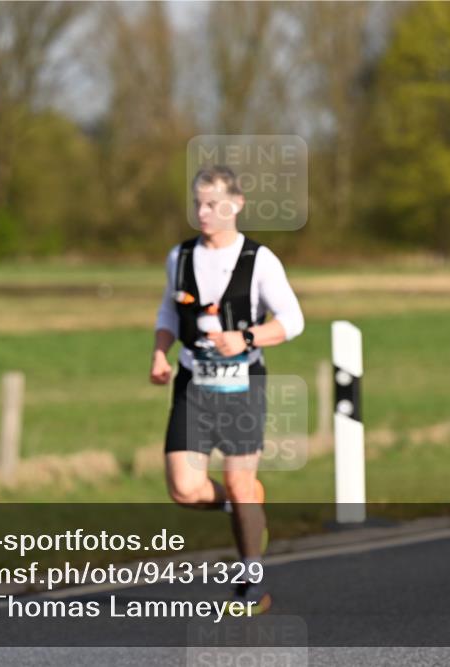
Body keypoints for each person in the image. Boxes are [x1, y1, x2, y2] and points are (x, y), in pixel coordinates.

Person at [151, 165, 304, 613]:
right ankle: (241, 508)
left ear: (237, 204)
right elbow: (166, 313)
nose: (204, 211)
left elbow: (293, 321)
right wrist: (160, 352)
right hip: (192, 384)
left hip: (242, 386)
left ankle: (252, 582)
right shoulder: (178, 257)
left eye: (215, 203)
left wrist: (248, 337)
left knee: (240, 481)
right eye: (198, 202)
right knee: (184, 489)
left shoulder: (259, 260)